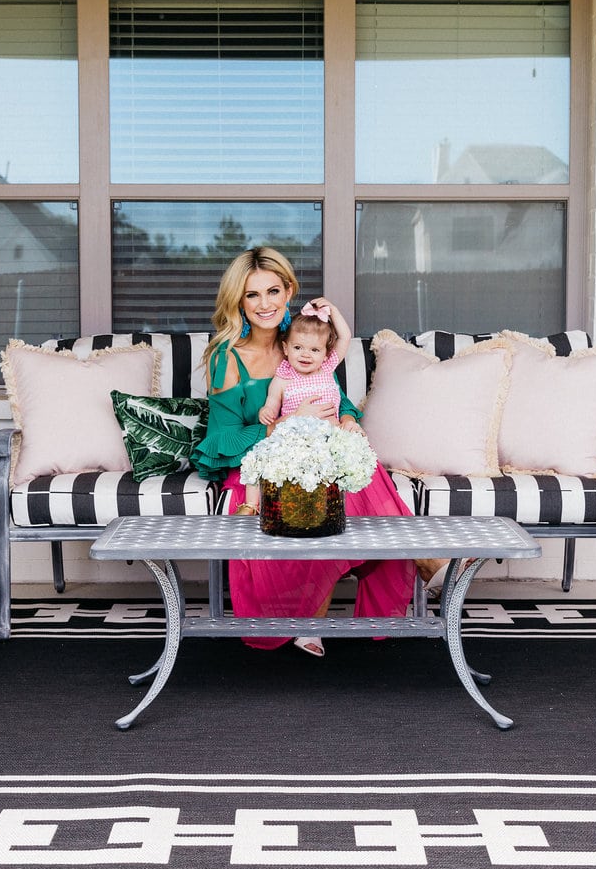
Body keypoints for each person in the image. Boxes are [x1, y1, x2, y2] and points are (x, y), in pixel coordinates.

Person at [189, 247, 444, 657]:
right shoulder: (227, 358)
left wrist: (347, 420)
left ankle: (319, 617)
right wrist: (287, 425)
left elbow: (333, 396)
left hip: (318, 449)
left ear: (289, 289)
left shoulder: (308, 338)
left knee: (354, 464)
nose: (265, 304)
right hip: (259, 463)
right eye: (252, 295)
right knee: (340, 480)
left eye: (273, 291)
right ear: (238, 301)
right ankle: (428, 563)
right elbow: (223, 440)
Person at [235, 297, 356, 516]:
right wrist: (267, 411)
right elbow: (272, 401)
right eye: (298, 347)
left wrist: (334, 310)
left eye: (315, 350)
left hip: (329, 440)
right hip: (293, 440)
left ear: (326, 354)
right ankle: (251, 505)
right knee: (258, 456)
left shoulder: (327, 369)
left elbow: (345, 336)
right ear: (286, 348)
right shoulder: (283, 377)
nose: (306, 354)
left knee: (347, 455)